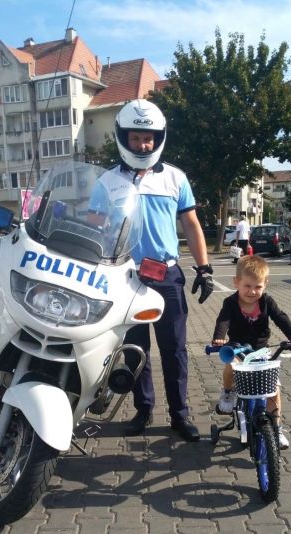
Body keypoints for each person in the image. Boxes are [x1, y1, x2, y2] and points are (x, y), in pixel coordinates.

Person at [88, 99, 212, 442]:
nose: (143, 145)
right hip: (125, 277)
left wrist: (204, 269)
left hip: (166, 276)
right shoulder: (107, 182)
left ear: (158, 139)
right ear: (123, 138)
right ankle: (143, 410)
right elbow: (95, 228)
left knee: (175, 350)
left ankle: (179, 414)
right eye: (136, 138)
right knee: (134, 349)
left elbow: (191, 225)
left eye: (148, 138)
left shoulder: (175, 178)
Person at [210, 255, 291, 449]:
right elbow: (223, 320)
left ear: (265, 284)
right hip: (238, 347)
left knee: (273, 390)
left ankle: (276, 428)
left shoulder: (267, 301)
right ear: (236, 282)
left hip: (261, 350)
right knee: (231, 366)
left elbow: (281, 318)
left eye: (258, 286)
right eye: (247, 286)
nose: (252, 291)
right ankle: (228, 393)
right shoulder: (230, 303)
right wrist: (219, 338)